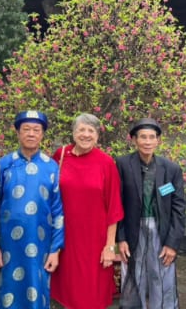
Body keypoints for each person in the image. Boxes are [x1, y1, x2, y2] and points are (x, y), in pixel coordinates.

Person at [0, 110, 65, 309]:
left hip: (40, 246)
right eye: (26, 129)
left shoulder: (52, 167)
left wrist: (55, 250)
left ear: (42, 134)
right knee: (6, 293)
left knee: (37, 292)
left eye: (36, 130)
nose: (31, 134)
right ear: (17, 132)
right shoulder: (3, 165)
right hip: (6, 246)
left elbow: (58, 212)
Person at [51, 113, 124, 309]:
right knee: (68, 292)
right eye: (81, 129)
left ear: (97, 136)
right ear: (73, 133)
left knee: (92, 295)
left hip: (95, 241)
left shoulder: (106, 163)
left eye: (90, 130)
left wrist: (110, 247)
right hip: (66, 239)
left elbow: (114, 208)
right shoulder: (60, 156)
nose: (85, 134)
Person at [116, 118, 186, 309]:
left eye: (151, 137)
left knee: (162, 274)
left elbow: (178, 209)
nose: (147, 142)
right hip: (132, 228)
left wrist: (172, 243)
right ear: (134, 140)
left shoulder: (170, 169)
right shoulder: (122, 164)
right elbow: (117, 203)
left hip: (160, 229)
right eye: (143, 137)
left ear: (158, 141)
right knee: (133, 272)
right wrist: (120, 238)